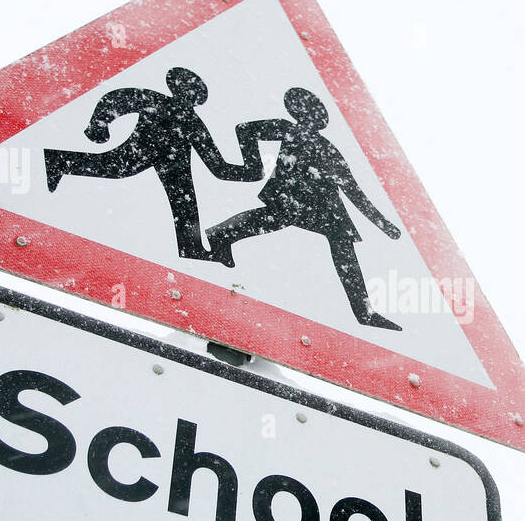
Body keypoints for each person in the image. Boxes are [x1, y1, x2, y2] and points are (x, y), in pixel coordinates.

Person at [200, 87, 403, 330]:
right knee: (276, 222)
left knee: (284, 225)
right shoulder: (290, 130)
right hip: (303, 199)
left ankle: (220, 235)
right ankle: (364, 312)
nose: (316, 119)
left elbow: (352, 189)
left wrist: (383, 224)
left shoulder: (324, 146)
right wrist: (254, 167)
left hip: (320, 204)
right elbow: (244, 129)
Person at [43, 68, 261, 259]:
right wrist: (98, 125)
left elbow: (217, 166)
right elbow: (117, 99)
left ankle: (191, 248)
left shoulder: (193, 122)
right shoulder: (157, 101)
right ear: (175, 87)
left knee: (184, 202)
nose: (190, 96)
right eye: (188, 90)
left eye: (195, 93)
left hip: (174, 164)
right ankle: (59, 161)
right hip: (145, 150)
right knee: (116, 168)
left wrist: (250, 172)